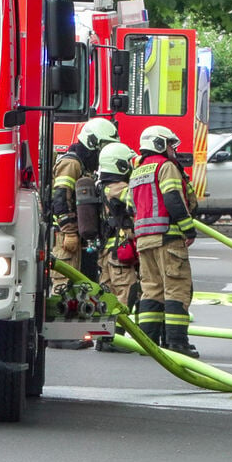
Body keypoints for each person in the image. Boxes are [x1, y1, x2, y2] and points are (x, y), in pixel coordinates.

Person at [128, 125, 199, 358]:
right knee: (176, 289)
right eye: (170, 144)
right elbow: (172, 198)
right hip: (168, 237)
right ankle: (177, 343)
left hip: (144, 240)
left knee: (151, 290)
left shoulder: (137, 171)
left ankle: (148, 344)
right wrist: (188, 229)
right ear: (158, 144)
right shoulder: (166, 167)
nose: (173, 149)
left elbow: (131, 206)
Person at [49, 117, 119, 350]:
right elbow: (60, 198)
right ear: (92, 143)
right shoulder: (71, 163)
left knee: (78, 283)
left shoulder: (83, 164)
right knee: (63, 282)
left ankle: (73, 330)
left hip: (77, 235)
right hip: (65, 234)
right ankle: (58, 335)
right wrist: (69, 230)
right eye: (102, 147)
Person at [94, 142, 139, 353]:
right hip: (118, 252)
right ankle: (116, 339)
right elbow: (137, 203)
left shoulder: (100, 186)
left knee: (108, 294)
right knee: (126, 293)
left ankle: (104, 338)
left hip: (106, 251)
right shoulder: (118, 188)